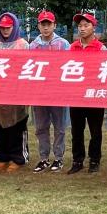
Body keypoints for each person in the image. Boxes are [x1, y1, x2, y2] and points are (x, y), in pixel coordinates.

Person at [0, 12, 30, 173]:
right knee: (1, 125)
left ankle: (18, 157)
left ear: (14, 27)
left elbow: (28, 66)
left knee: (17, 125)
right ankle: (3, 156)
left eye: (8, 27)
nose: (5, 30)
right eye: (2, 28)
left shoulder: (23, 45)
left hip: (17, 92)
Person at [27, 10, 70, 173]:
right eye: (42, 24)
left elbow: (69, 65)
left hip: (58, 92)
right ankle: (43, 158)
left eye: (48, 24)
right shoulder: (33, 46)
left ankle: (58, 158)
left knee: (59, 127)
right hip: (39, 92)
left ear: (54, 25)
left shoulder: (63, 44)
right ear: (38, 26)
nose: (45, 27)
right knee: (41, 127)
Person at [68, 11, 105, 174]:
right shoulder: (73, 47)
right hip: (76, 95)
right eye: (79, 26)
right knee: (76, 130)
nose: (82, 29)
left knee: (95, 130)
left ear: (93, 27)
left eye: (85, 25)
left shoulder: (100, 48)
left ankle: (95, 159)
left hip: (94, 95)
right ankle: (77, 160)